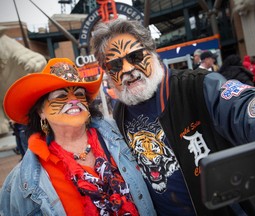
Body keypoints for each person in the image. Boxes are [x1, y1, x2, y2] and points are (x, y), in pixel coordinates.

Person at [92, 19, 255, 216]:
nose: (127, 69)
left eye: (135, 56)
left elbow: (242, 102)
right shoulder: (120, 114)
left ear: (151, 52)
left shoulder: (197, 86)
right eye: (115, 65)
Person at [0, 58, 156, 216]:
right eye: (61, 96)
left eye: (79, 94)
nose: (74, 100)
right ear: (41, 111)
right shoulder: (24, 179)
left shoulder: (120, 133)